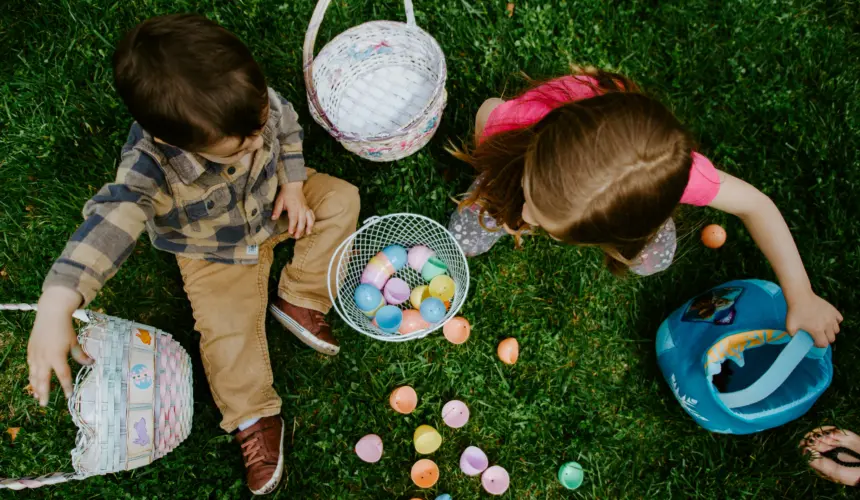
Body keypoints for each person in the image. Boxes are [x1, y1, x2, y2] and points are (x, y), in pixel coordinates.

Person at [25, 14, 360, 495]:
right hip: (212, 251)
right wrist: (58, 300)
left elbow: (285, 128)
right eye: (235, 151)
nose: (249, 151)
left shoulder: (249, 103)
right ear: (167, 139)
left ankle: (300, 297)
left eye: (255, 133)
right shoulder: (149, 167)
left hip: (276, 205)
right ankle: (252, 415)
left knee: (342, 200)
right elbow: (112, 221)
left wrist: (292, 183)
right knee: (226, 335)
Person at [448, 67, 842, 347]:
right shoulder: (518, 124)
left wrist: (801, 295)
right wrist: (508, 180)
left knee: (652, 258)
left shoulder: (679, 176)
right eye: (532, 198)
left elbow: (756, 205)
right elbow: (488, 110)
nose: (528, 219)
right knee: (487, 211)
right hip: (529, 149)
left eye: (541, 219)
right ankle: (503, 198)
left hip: (622, 188)